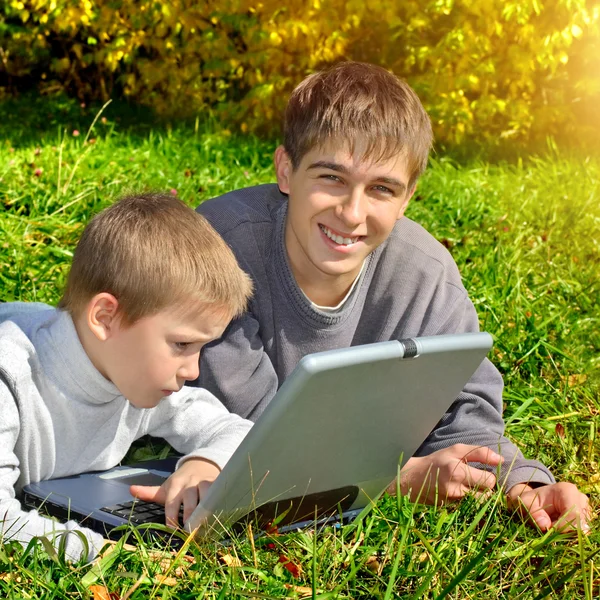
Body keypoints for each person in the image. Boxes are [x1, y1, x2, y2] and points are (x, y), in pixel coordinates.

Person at [195, 61, 590, 532]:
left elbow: (465, 406)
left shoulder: (424, 273)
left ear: (407, 198)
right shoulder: (220, 250)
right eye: (331, 178)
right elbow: (256, 448)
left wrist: (521, 486)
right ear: (286, 170)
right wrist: (392, 481)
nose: (352, 213)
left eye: (382, 189)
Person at [0, 192, 254, 562]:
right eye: (181, 343)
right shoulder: (10, 378)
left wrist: (207, 462)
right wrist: (106, 554)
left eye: (201, 347)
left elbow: (238, 431)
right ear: (105, 318)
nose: (194, 370)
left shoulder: (138, 374)